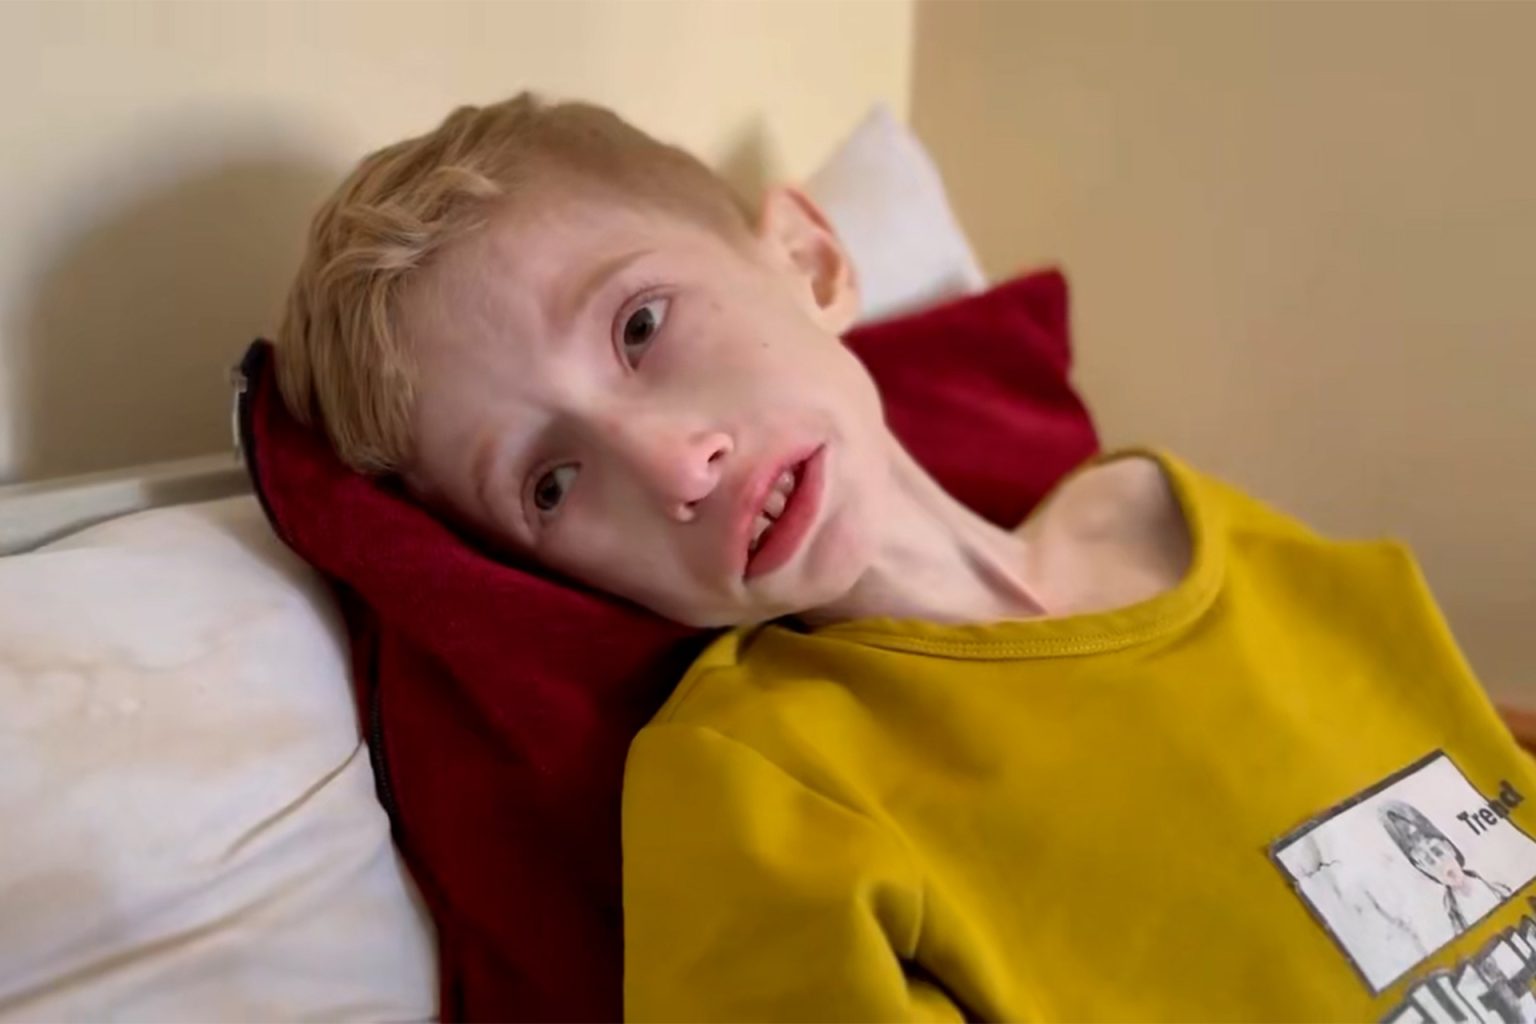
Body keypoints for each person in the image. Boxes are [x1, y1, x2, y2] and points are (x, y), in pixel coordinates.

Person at [276, 93, 1536, 1020]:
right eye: (551, 483)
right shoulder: (754, 782)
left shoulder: (1185, 512)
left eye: (641, 325)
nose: (670, 464)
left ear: (810, 261)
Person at [1381, 800, 1513, 935]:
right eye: (1429, 861)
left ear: (1449, 848)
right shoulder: (1454, 920)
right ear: (1423, 869)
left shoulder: (1500, 888)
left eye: (1438, 852)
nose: (1439, 863)